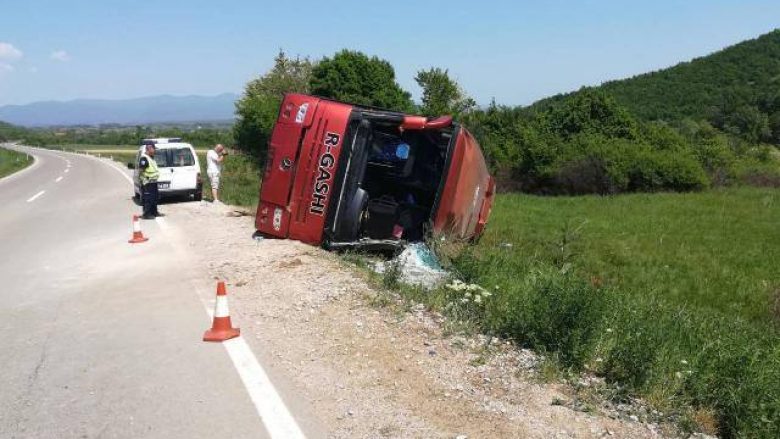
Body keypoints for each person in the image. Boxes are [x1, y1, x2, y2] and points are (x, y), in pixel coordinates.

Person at [138, 144, 162, 219]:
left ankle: (154, 212)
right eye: (154, 149)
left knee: (155, 198)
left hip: (153, 182)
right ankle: (146, 214)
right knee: (148, 199)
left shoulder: (151, 158)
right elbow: (141, 170)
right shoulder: (144, 159)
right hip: (147, 183)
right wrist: (143, 180)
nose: (155, 151)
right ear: (149, 149)